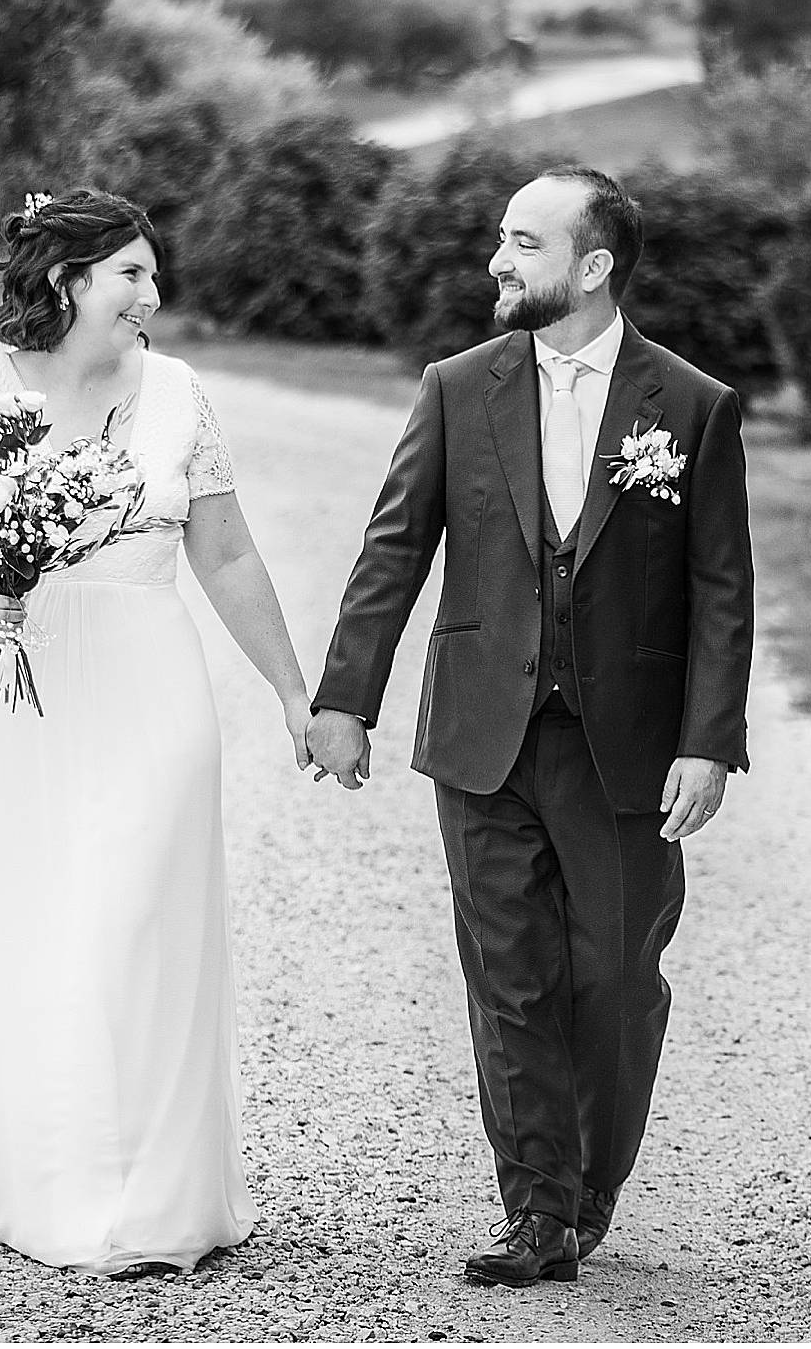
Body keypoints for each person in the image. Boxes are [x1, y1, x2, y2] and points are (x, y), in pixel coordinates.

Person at [308, 165, 754, 1287]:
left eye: (523, 243)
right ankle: (537, 1210)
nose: (496, 263)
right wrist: (343, 700)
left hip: (629, 749)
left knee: (612, 977)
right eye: (499, 238)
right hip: (482, 735)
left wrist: (709, 739)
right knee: (509, 978)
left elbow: (722, 590)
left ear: (593, 268)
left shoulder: (692, 404)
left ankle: (593, 1179)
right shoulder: (459, 386)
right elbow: (393, 550)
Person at [0, 188, 315, 1278]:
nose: (152, 297)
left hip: (148, 692)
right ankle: (9, 1171)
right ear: (67, 282)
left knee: (126, 917)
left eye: (153, 277)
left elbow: (230, 556)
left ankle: (125, 1192)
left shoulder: (180, 394)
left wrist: (296, 690)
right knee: (14, 921)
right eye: (132, 277)